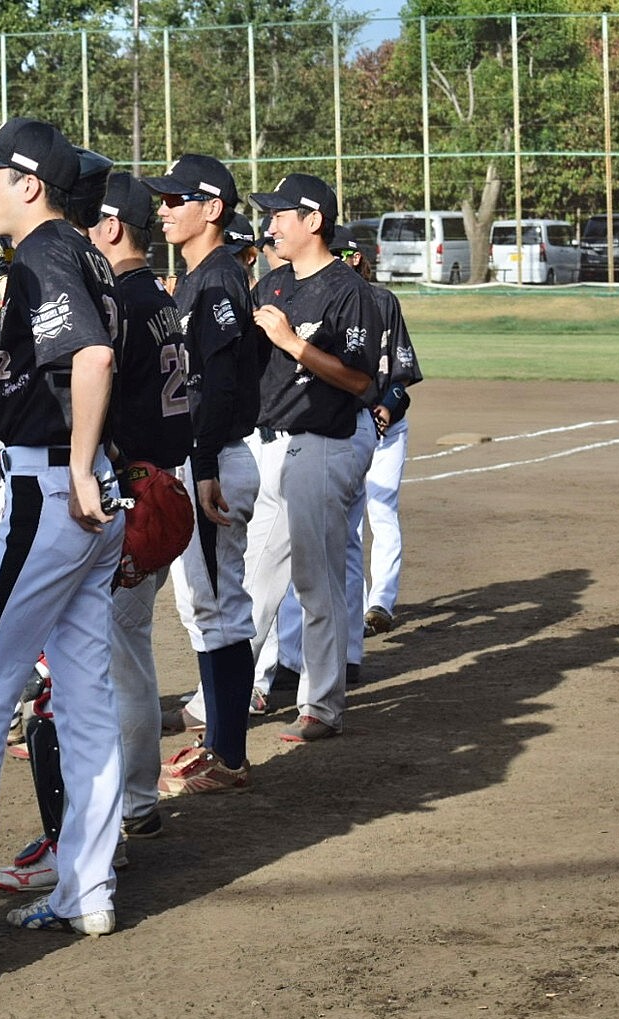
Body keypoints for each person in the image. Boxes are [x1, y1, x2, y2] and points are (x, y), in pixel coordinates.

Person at [0, 116, 126, 938]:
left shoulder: (45, 254)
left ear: (29, 184)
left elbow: (93, 358)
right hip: (91, 498)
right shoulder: (84, 250)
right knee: (87, 699)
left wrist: (77, 467)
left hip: (54, 492)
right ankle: (89, 890)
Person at [0, 170, 193, 892]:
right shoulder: (148, 295)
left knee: (90, 672)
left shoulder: (115, 294)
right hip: (152, 484)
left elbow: (90, 382)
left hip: (116, 492)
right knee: (119, 660)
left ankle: (114, 821)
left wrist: (82, 465)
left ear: (108, 227)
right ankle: (125, 814)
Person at [247, 173, 381, 744]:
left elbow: (360, 380)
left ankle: (322, 705)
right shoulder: (273, 285)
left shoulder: (349, 290)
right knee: (253, 581)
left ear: (313, 221)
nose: (270, 224)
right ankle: (223, 693)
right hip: (269, 446)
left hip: (323, 444)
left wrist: (295, 345)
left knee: (315, 579)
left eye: (280, 214)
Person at [146, 154, 263, 795]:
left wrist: (209, 461)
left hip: (212, 459)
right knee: (205, 607)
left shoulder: (217, 280)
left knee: (220, 609)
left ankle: (230, 754)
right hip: (204, 457)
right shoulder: (199, 277)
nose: (162, 208)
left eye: (175, 199)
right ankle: (219, 742)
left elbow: (217, 383)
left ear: (211, 209)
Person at [333, 230, 422, 649]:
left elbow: (402, 373)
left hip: (386, 428)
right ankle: (349, 614)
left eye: (339, 253)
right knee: (347, 524)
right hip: (343, 427)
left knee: (380, 507)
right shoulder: (323, 300)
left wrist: (388, 407)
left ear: (353, 258)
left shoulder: (383, 301)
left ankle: (380, 603)